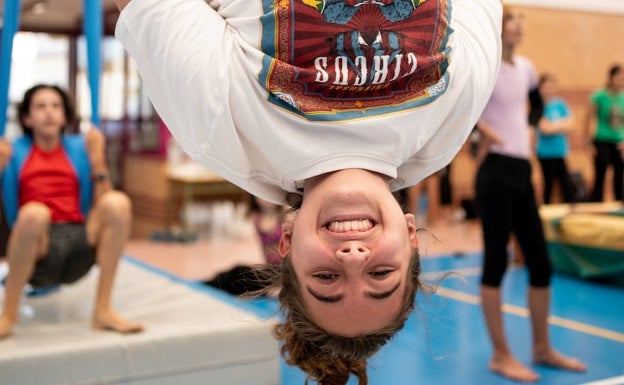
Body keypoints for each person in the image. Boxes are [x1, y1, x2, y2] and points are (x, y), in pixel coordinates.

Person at [114, 0, 503, 383]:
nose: (353, 257)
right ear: (410, 235)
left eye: (326, 278)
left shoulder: (223, 127)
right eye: (382, 274)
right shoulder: (450, 120)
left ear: (285, 243)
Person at [475, 7, 586, 382]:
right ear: (498, 27)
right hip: (495, 172)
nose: (518, 24)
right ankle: (500, 354)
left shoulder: (526, 68)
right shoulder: (485, 67)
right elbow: (460, 107)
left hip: (522, 169)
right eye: (511, 19)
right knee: (496, 262)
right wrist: (483, 132)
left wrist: (530, 127)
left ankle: (541, 347)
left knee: (541, 263)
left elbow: (537, 105)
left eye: (520, 19)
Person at [0, 84, 144, 339]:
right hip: (38, 246)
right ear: (27, 118)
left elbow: (104, 201)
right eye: (40, 106)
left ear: (65, 116)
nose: (49, 112)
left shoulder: (79, 148)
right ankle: (9, 316)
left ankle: (103, 310)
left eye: (55, 106)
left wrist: (98, 160)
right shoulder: (13, 150)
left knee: (118, 202)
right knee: (35, 212)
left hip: (79, 239)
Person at [530, 73, 576, 204]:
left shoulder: (561, 104)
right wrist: (561, 124)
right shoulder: (538, 107)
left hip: (560, 150)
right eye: (546, 87)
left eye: (551, 87)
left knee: (565, 182)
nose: (549, 90)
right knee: (548, 182)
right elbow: (545, 128)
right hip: (544, 152)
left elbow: (571, 124)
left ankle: (571, 207)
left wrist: (554, 126)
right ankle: (546, 207)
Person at [584, 64, 624, 202]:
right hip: (602, 140)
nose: (622, 81)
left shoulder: (623, 97)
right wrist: (588, 142)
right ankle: (596, 202)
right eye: (619, 78)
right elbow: (588, 119)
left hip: (619, 141)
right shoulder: (599, 96)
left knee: (619, 174)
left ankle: (619, 203)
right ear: (611, 78)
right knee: (601, 173)